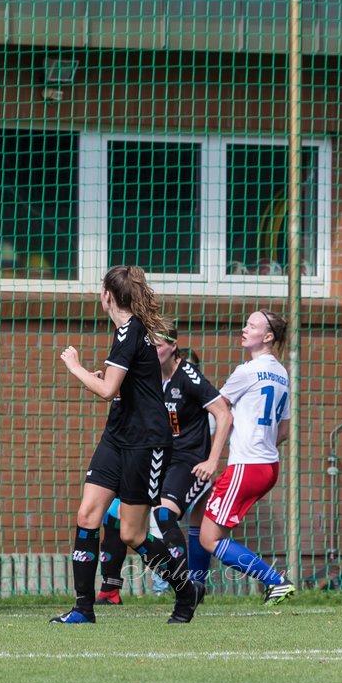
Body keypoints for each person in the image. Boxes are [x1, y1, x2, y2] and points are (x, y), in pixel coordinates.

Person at [53, 266, 203, 625]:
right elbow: (120, 386)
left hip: (145, 442)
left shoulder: (130, 330)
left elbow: (106, 391)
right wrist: (110, 380)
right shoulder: (128, 331)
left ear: (108, 295)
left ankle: (186, 592)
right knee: (87, 515)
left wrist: (75, 366)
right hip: (117, 435)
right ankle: (83, 609)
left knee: (132, 533)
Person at [96, 330, 232, 604]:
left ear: (173, 346)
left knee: (164, 516)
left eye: (156, 346)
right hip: (156, 458)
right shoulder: (145, 376)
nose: (150, 351)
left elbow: (223, 413)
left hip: (189, 462)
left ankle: (185, 588)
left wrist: (212, 460)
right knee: (112, 514)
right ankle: (110, 590)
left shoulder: (188, 375)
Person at [196, 310, 296, 605]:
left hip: (246, 466)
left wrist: (204, 451)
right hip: (268, 465)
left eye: (252, 326)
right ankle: (194, 589)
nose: (244, 329)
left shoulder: (246, 371)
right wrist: (261, 442)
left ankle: (275, 581)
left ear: (267, 337)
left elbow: (219, 412)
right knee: (208, 525)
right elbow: (286, 429)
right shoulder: (281, 372)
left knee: (209, 538)